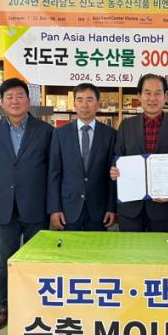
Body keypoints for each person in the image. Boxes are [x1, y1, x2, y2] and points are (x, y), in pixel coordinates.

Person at [0, 77, 53, 330]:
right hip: (2, 207)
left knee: (36, 260)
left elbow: (52, 172)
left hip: (36, 206)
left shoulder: (46, 131)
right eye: (9, 97)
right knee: (5, 261)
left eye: (20, 96)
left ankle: (34, 307)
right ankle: (5, 307)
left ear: (28, 101)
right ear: (1, 102)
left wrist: (53, 207)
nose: (14, 101)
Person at [110, 74, 168, 232]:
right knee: (130, 247)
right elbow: (117, 157)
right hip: (130, 206)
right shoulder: (126, 125)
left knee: (160, 248)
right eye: (147, 93)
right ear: (139, 96)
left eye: (157, 93)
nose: (152, 98)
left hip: (163, 208)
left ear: (165, 96)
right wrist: (114, 171)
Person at [48, 83, 116, 231]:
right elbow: (54, 174)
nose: (85, 105)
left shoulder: (110, 134)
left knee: (97, 246)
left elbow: (111, 175)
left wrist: (112, 207)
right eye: (80, 99)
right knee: (69, 246)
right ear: (74, 104)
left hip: (99, 208)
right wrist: (55, 208)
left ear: (98, 104)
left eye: (90, 99)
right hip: (68, 209)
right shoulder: (60, 134)